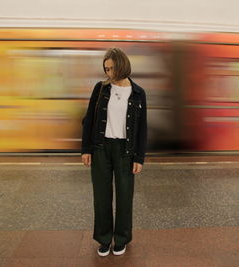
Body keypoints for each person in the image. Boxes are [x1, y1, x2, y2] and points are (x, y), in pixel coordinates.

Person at [81, 48, 147, 256]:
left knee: (125, 196)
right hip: (101, 147)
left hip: (125, 151)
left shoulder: (138, 93)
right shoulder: (100, 89)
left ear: (122, 65)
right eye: (106, 69)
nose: (108, 73)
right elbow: (89, 119)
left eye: (111, 68)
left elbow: (142, 127)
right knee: (101, 196)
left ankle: (121, 239)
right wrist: (86, 149)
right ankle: (103, 238)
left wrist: (139, 157)